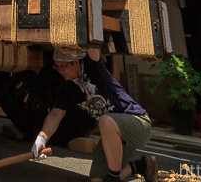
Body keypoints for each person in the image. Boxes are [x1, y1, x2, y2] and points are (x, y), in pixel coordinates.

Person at [31, 49, 157, 182]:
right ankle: (143, 166)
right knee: (97, 179)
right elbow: (56, 114)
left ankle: (114, 178)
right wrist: (41, 138)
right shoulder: (67, 88)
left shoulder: (94, 67)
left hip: (138, 123)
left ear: (75, 62)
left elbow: (93, 45)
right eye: (57, 67)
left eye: (63, 66)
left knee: (105, 121)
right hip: (115, 136)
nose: (60, 70)